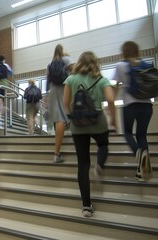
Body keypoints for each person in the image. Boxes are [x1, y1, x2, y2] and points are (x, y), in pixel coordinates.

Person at [63, 51, 116, 217]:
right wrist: (113, 119)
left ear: (78, 63)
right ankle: (99, 165)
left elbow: (65, 102)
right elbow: (111, 99)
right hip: (98, 121)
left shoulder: (71, 79)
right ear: (95, 63)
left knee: (83, 163)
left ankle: (86, 206)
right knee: (103, 145)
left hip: (78, 125)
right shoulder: (102, 79)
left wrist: (73, 116)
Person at [113, 41, 153, 181]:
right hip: (147, 106)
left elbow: (116, 88)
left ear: (124, 52)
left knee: (128, 133)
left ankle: (138, 153)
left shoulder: (120, 66)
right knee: (142, 136)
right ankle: (142, 171)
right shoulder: (145, 64)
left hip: (130, 105)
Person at [47, 44, 71, 163]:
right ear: (62, 51)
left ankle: (58, 143)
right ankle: (56, 154)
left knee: (58, 118)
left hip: (53, 90)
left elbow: (48, 79)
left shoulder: (50, 63)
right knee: (62, 118)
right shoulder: (66, 60)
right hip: (63, 89)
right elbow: (74, 71)